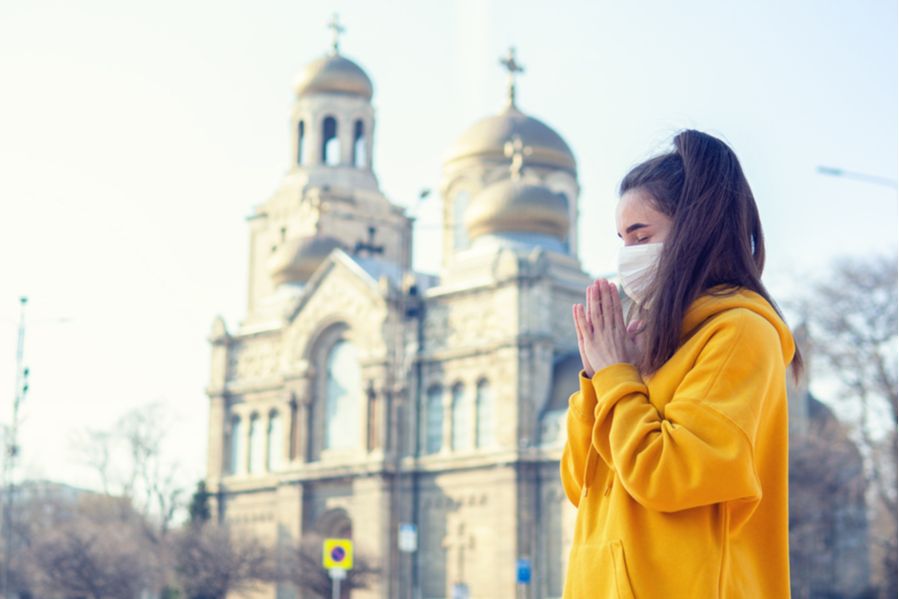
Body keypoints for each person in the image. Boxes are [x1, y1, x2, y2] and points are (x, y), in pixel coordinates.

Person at [560, 129, 802, 598]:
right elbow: (580, 484)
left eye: (641, 235)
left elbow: (669, 476)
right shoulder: (652, 344)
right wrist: (598, 377)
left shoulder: (738, 332)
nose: (627, 256)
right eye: (622, 239)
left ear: (695, 231)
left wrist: (616, 379)